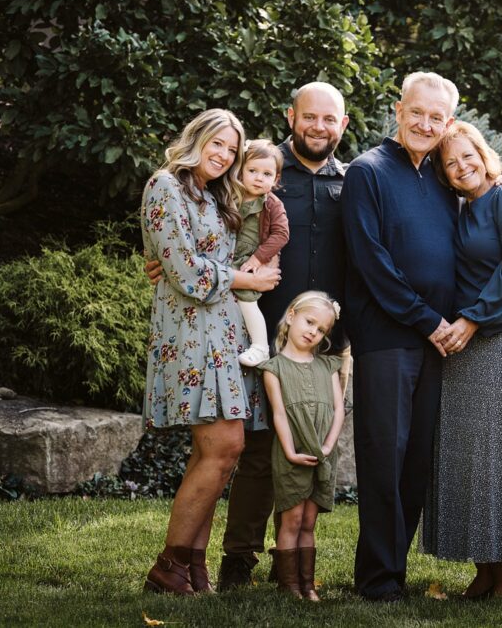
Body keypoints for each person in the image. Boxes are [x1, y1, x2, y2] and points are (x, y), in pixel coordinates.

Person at [217, 82, 352, 589]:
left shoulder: (352, 180)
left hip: (324, 345)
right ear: (291, 116)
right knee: (258, 451)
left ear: (342, 124)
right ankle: (239, 559)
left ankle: (290, 563)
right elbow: (212, 208)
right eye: (309, 117)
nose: (319, 127)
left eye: (329, 119)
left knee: (310, 444)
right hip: (263, 335)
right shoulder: (263, 171)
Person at [140, 109, 280, 595]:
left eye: (231, 150)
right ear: (196, 139)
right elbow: (185, 271)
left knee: (214, 449)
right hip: (190, 331)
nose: (223, 155)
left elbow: (208, 258)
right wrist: (249, 280)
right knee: (225, 446)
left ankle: (192, 567)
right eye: (216, 144)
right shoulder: (166, 186)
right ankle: (167, 567)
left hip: (223, 332)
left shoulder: (217, 196)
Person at [340, 72, 461, 602]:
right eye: (418, 113)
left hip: (437, 340)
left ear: (449, 123)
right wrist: (427, 319)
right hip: (387, 335)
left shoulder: (442, 175)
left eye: (437, 117)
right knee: (384, 456)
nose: (426, 124)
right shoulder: (368, 172)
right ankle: (377, 578)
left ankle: (395, 567)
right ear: (398, 110)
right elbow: (372, 262)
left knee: (417, 464)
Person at [419, 122, 502, 598]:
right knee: (469, 452)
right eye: (450, 163)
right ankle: (485, 567)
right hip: (466, 336)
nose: (461, 166)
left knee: (501, 453)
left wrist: (471, 321)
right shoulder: (460, 208)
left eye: (467, 156)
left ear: (483, 153)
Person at [258, 291, 345, 601]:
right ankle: (289, 585)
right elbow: (279, 413)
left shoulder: (328, 366)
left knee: (309, 521)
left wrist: (328, 446)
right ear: (292, 315)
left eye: (321, 329)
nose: (313, 332)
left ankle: (307, 585)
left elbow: (338, 410)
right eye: (310, 322)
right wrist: (291, 451)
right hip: (292, 453)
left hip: (323, 453)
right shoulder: (274, 368)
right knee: (292, 519)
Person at [233, 139, 289, 367]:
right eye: (252, 170)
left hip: (251, 260)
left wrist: (258, 258)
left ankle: (260, 346)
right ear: (241, 172)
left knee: (247, 300)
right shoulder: (231, 196)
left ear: (275, 180)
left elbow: (282, 234)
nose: (258, 178)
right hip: (230, 256)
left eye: (267, 174)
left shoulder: (272, 204)